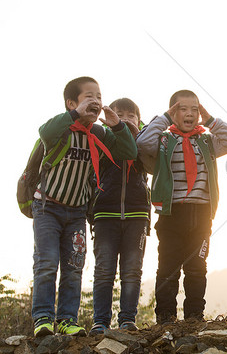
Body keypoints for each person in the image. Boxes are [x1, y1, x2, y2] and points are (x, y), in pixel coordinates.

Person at [31, 77, 137, 337]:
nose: (96, 101)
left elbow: (128, 152)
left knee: (74, 265)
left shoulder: (99, 134)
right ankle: (43, 318)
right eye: (89, 96)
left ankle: (67, 319)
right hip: (48, 207)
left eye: (99, 97)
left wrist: (118, 126)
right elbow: (44, 131)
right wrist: (73, 115)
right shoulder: (61, 129)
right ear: (72, 103)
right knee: (47, 263)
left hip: (77, 212)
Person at [136, 90, 227, 324]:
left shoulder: (207, 141)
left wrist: (210, 120)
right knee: (168, 267)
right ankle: (165, 315)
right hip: (171, 212)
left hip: (201, 213)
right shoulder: (164, 140)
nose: (190, 113)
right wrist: (163, 119)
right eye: (183, 109)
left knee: (196, 266)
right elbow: (142, 143)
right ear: (173, 112)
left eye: (195, 109)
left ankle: (194, 314)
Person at [89, 98, 151, 335]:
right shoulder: (102, 140)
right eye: (119, 114)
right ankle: (100, 321)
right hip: (105, 213)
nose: (125, 118)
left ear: (139, 119)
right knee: (104, 269)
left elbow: (150, 162)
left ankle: (127, 319)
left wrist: (135, 134)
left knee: (132, 269)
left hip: (137, 214)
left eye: (131, 115)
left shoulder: (146, 142)